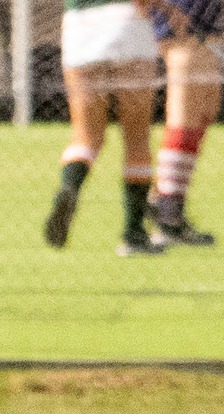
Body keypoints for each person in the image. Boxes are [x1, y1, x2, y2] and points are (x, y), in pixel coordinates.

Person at [46, 0, 164, 255]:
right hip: (127, 20)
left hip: (80, 25)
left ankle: (69, 188)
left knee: (85, 136)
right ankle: (134, 234)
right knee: (136, 138)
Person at [148, 0, 220, 245]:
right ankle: (166, 211)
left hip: (207, 24)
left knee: (203, 114)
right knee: (185, 116)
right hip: (183, 24)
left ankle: (169, 205)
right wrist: (168, 10)